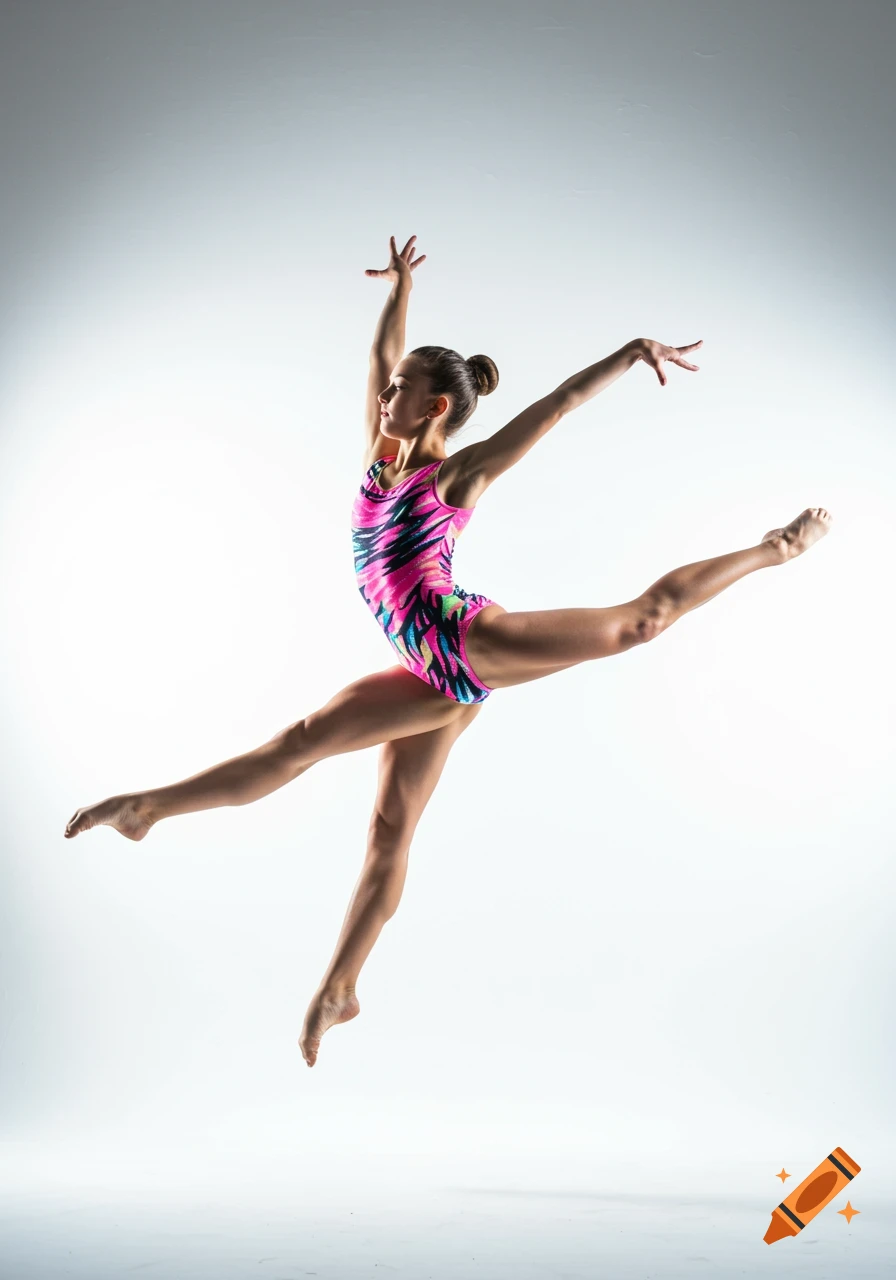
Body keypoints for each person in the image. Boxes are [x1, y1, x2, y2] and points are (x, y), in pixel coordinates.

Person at [64, 235, 832, 1067]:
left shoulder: (454, 477)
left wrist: (629, 351)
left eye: (401, 392)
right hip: (428, 668)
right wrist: (397, 289)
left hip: (467, 643)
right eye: (390, 389)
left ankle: (773, 550)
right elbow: (381, 355)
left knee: (641, 622)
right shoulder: (378, 459)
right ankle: (337, 988)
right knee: (383, 823)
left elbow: (561, 404)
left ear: (433, 408)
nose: (385, 394)